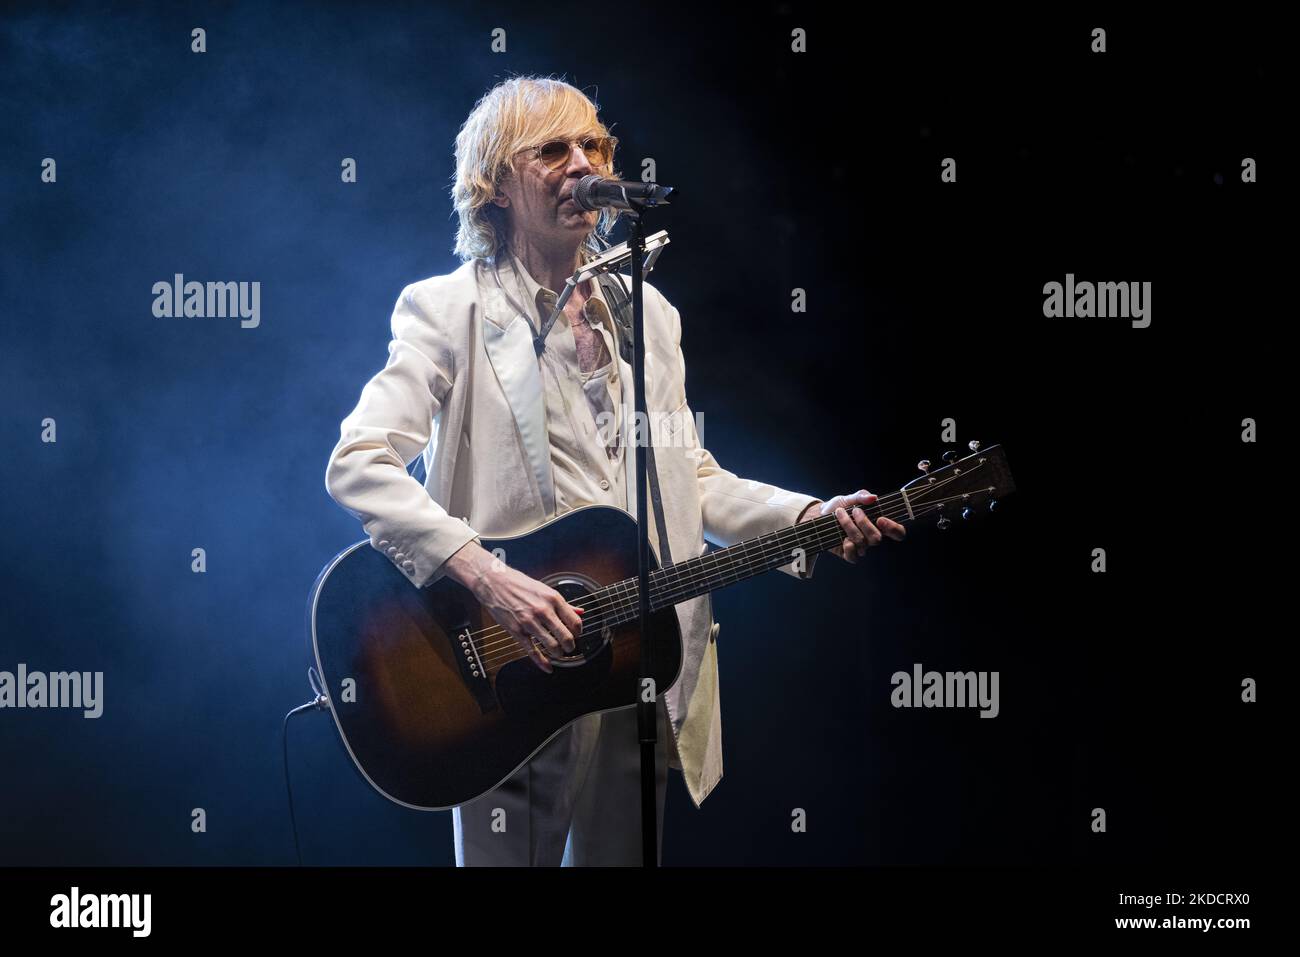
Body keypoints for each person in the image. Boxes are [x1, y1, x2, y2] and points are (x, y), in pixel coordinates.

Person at [324, 74, 905, 866]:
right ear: (494, 183)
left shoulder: (649, 316)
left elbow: (687, 475)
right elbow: (359, 462)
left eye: (594, 144)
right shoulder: (446, 309)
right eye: (552, 149)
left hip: (635, 658)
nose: (582, 162)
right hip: (508, 666)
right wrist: (491, 578)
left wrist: (808, 516)